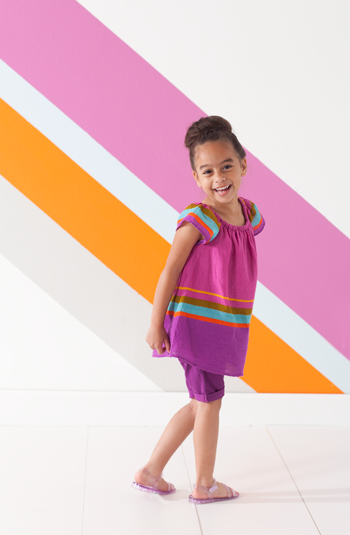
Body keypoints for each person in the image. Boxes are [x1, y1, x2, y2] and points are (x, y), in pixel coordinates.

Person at [131, 115, 265, 504]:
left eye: (227, 166)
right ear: (196, 177)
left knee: (200, 402)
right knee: (209, 402)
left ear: (243, 165)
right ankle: (204, 484)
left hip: (224, 326)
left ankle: (151, 472)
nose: (219, 177)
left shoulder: (250, 215)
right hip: (195, 325)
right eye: (208, 171)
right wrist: (156, 324)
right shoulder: (199, 219)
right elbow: (170, 270)